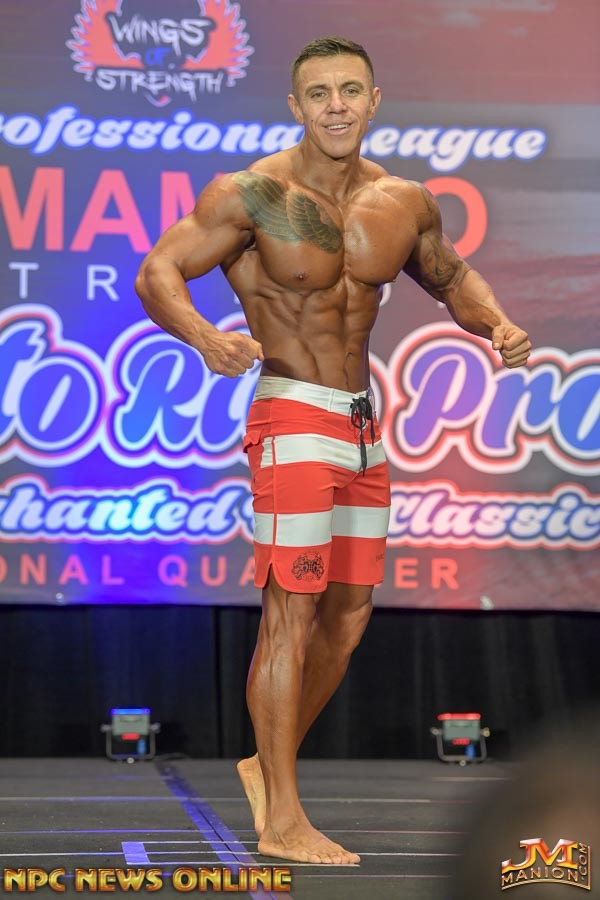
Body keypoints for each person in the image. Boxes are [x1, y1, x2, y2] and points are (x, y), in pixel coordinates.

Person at [135, 36, 531, 866]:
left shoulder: (402, 201)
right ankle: (282, 817)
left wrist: (494, 322)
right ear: (296, 106)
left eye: (351, 90)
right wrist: (206, 337)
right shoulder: (252, 193)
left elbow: (451, 277)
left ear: (374, 100)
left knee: (347, 620)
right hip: (292, 416)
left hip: (361, 425)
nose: (337, 106)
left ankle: (264, 763)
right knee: (292, 611)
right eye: (320, 93)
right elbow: (158, 271)